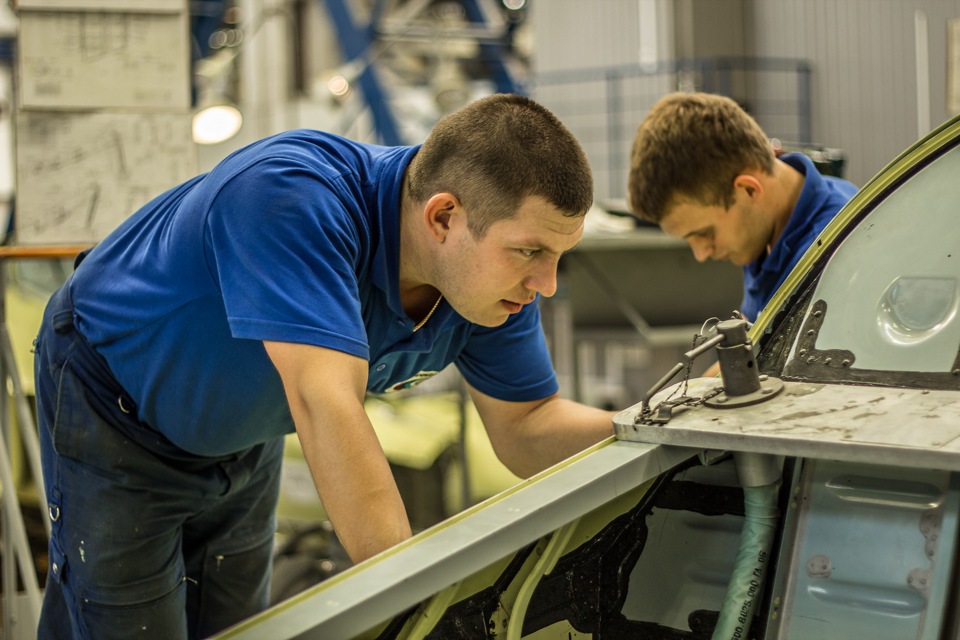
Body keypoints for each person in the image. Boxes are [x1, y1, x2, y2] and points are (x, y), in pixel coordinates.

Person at [34, 93, 616, 639]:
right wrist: (422, 607)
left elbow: (526, 426)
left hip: (244, 430)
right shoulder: (292, 196)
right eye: (530, 251)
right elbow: (326, 403)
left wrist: (661, 418)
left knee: (234, 627)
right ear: (443, 218)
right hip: (112, 406)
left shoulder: (492, 286)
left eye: (559, 255)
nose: (546, 283)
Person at [627, 91, 858, 322]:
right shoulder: (764, 225)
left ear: (749, 189)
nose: (700, 254)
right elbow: (750, 351)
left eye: (705, 233)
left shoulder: (837, 258)